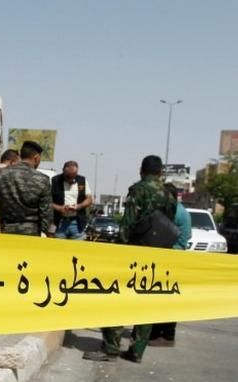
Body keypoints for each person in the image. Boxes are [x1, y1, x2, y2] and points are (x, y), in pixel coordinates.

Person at [84, 155, 177, 364]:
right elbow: (170, 225)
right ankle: (136, 351)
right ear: (160, 172)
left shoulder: (138, 189)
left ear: (141, 170)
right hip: (157, 255)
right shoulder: (169, 195)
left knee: (114, 297)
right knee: (146, 301)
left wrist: (120, 250)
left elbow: (128, 223)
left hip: (134, 254)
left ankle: (110, 348)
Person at [149, 183, 191, 347]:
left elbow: (160, 231)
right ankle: (161, 333)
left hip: (171, 257)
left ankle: (166, 335)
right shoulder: (183, 211)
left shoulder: (174, 212)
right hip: (176, 257)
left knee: (164, 298)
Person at [0, 142, 52, 236]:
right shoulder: (43, 179)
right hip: (31, 232)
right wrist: (44, 230)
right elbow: (46, 212)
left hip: (6, 230)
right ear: (36, 157)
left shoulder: (2, 174)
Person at [51, 161, 94, 240]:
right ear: (63, 171)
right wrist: (59, 208)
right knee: (59, 250)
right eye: (68, 177)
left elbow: (89, 199)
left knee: (78, 251)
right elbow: (46, 201)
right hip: (60, 223)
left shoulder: (82, 181)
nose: (71, 180)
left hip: (77, 223)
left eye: (73, 177)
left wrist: (78, 206)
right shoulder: (54, 181)